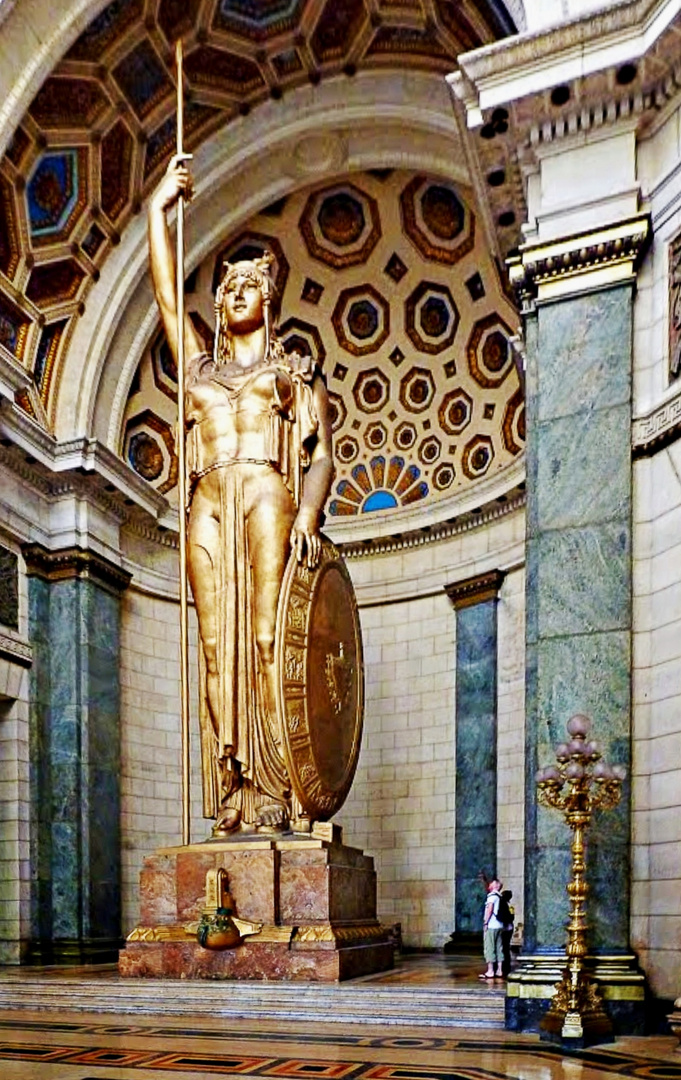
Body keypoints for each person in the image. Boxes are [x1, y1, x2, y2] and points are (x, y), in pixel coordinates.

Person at [148, 155, 334, 836]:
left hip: (265, 488)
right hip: (207, 500)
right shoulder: (198, 367)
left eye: (248, 285)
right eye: (227, 287)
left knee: (264, 638)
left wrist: (310, 512)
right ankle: (232, 790)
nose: (234, 294)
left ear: (268, 298)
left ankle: (277, 794)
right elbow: (168, 296)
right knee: (213, 647)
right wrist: (157, 209)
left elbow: (321, 455)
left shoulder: (292, 369)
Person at [480, 878, 504, 980]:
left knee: (490, 947)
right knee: (499, 947)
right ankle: (500, 970)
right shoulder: (500, 896)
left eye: (491, 883)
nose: (489, 885)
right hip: (500, 925)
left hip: (492, 925)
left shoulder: (492, 897)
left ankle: (490, 971)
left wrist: (485, 922)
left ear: (495, 886)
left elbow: (489, 910)